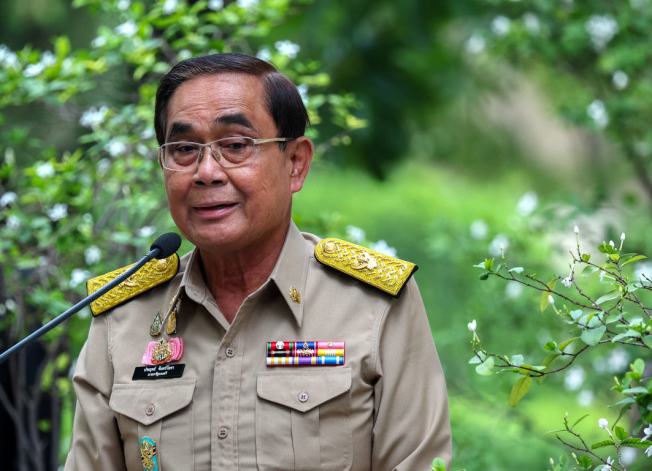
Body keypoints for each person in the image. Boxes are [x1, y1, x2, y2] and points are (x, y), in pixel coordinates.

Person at [64, 53, 451, 470]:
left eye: (235, 146)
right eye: (184, 149)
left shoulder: (373, 306)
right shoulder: (123, 317)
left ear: (296, 164)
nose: (206, 172)